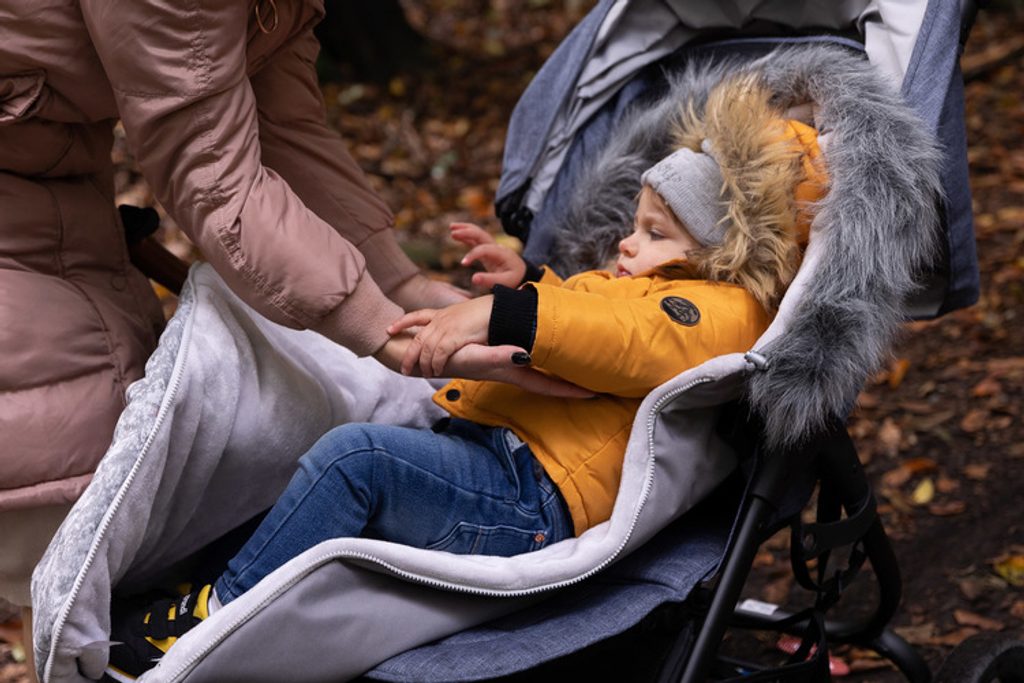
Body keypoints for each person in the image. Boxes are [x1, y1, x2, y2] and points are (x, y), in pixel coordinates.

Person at [102, 74, 827, 681]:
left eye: (655, 232)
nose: (627, 244)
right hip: (496, 461)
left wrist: (506, 313)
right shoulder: (667, 293)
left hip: (527, 500)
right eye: (635, 225)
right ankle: (213, 579)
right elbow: (596, 316)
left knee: (356, 460)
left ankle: (212, 620)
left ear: (725, 249)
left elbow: (621, 339)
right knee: (323, 447)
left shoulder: (723, 312)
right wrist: (530, 278)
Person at [0, 2, 538, 678]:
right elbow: (214, 176)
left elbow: (283, 127)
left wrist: (401, 284)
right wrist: (381, 331)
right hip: (29, 198)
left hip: (55, 176)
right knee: (64, 482)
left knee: (109, 499)